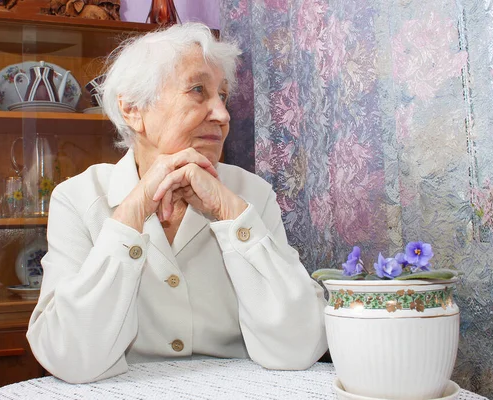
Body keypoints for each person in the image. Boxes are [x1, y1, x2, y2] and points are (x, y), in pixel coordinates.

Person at [26, 22, 328, 384]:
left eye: (223, 95)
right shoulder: (77, 198)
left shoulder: (252, 193)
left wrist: (232, 216)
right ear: (133, 109)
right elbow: (70, 357)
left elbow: (300, 346)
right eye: (198, 90)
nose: (222, 114)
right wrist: (131, 215)